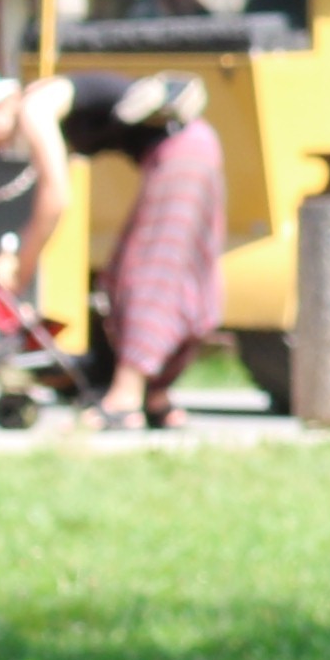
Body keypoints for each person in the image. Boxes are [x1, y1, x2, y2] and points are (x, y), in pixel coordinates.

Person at [64, 74, 225, 429]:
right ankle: (155, 395)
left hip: (180, 153)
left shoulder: (38, 105)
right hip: (193, 147)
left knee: (150, 269)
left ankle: (125, 396)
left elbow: (53, 194)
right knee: (171, 268)